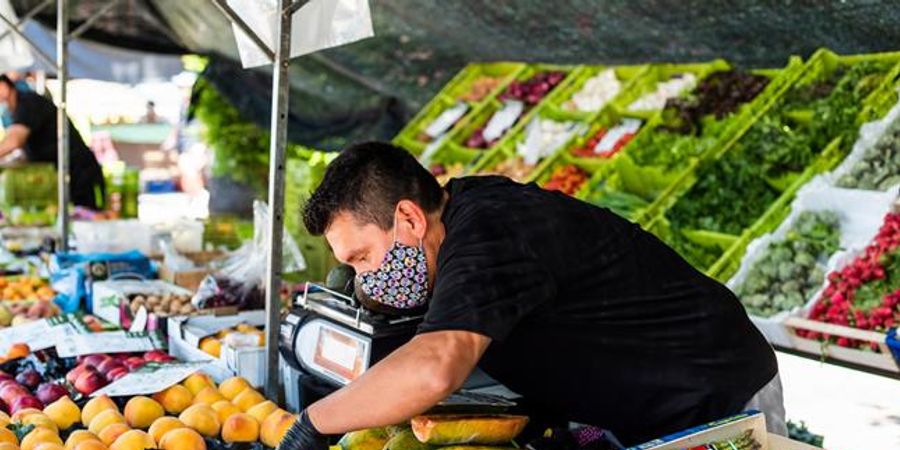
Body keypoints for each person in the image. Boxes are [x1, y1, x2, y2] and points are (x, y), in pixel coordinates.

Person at [288, 142, 784, 448]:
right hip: (643, 409)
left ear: (410, 218)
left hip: (715, 399)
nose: (363, 278)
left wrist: (314, 424)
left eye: (362, 257)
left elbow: (434, 368)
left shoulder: (489, 232)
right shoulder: (461, 220)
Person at [0, 74, 105, 209]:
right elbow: (23, 151)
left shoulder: (28, 103)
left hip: (79, 173)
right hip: (63, 175)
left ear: (3, 87)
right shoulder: (14, 113)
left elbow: (13, 142)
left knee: (85, 218)